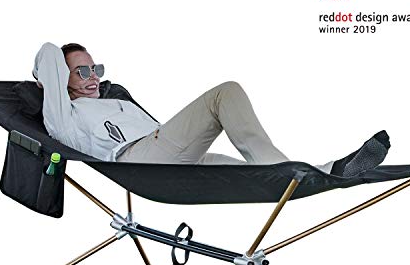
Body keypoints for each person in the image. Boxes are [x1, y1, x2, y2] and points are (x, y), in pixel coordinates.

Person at [33, 42, 390, 175]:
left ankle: (328, 171)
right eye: (81, 71)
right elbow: (48, 52)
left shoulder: (117, 101)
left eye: (95, 68)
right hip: (138, 161)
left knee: (255, 173)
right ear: (60, 77)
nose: (93, 77)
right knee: (225, 93)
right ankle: (295, 173)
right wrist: (52, 78)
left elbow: (161, 131)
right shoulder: (67, 117)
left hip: (169, 155)